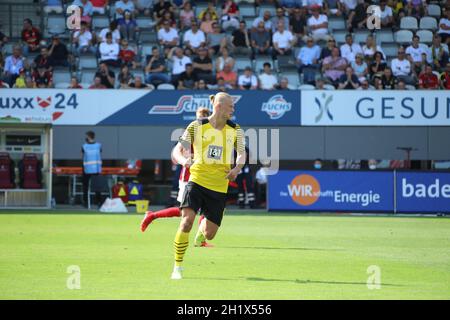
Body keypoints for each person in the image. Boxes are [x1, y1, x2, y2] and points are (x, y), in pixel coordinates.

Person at [167, 92, 246, 280]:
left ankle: (202, 234)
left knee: (210, 235)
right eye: (231, 106)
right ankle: (177, 267)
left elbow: (242, 154)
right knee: (186, 222)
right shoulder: (196, 126)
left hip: (219, 187)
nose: (233, 110)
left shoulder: (236, 130)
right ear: (219, 106)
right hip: (196, 181)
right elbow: (177, 150)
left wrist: (237, 168)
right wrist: (184, 161)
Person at [140, 108, 213, 246]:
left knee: (205, 207)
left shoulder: (209, 134)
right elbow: (176, 152)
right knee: (186, 212)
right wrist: (187, 158)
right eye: (199, 117)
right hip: (189, 177)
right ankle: (152, 215)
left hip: (202, 176)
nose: (200, 120)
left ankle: (200, 239)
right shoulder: (191, 132)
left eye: (203, 117)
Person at [82, 131, 102, 208]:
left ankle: (86, 203)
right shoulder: (98, 145)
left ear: (88, 137)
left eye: (86, 136)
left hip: (87, 170)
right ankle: (99, 202)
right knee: (97, 186)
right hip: (96, 169)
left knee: (86, 186)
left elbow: (82, 154)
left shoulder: (84, 146)